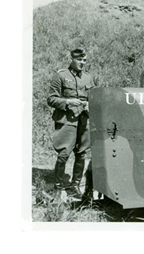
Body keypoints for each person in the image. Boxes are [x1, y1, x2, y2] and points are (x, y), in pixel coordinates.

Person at [47, 47, 94, 199]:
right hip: (67, 120)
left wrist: (89, 104)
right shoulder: (61, 76)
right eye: (79, 60)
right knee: (64, 153)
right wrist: (67, 101)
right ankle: (58, 187)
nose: (82, 63)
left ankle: (75, 186)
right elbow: (51, 99)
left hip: (84, 119)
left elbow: (93, 98)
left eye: (84, 60)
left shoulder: (88, 77)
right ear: (72, 59)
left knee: (82, 153)